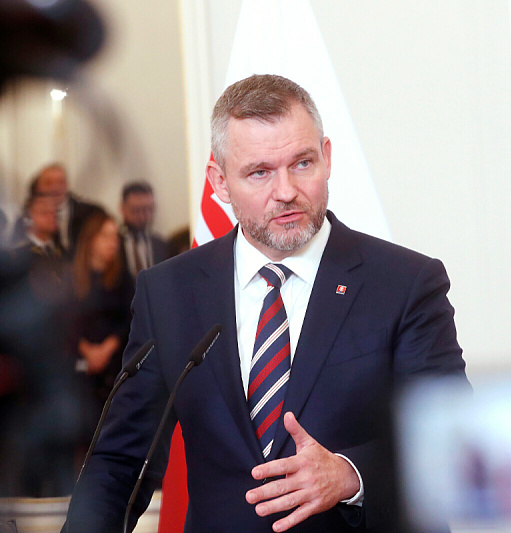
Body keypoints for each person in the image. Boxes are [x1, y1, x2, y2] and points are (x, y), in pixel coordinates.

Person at [64, 74, 469, 533]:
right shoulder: (169, 292)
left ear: (328, 157)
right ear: (219, 181)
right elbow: (120, 461)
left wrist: (349, 475)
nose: (286, 191)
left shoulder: (404, 282)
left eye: (302, 163)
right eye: (259, 172)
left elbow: (452, 439)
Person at [70, 210, 134, 443]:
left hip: (115, 367)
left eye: (115, 237)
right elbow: (65, 322)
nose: (112, 243)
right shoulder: (71, 278)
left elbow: (129, 319)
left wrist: (107, 348)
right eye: (106, 236)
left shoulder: (124, 279)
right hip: (80, 372)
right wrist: (87, 350)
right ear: (91, 240)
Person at [13, 163, 102, 258]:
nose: (55, 188)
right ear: (37, 187)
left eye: (61, 182)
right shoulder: (23, 218)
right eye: (49, 183)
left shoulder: (90, 213)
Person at [118, 181, 176, 280]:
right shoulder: (114, 244)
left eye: (148, 209)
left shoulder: (163, 246)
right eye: (136, 210)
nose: (142, 216)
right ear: (123, 208)